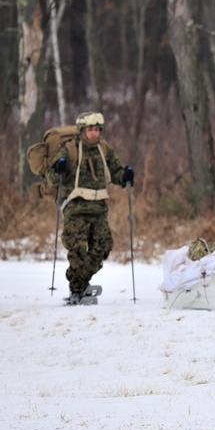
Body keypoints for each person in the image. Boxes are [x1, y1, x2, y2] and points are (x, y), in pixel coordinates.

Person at [46, 112, 132, 305]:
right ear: (83, 130)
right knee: (76, 250)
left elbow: (116, 171)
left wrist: (125, 176)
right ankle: (76, 289)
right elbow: (52, 177)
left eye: (97, 130)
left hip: (99, 208)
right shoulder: (70, 149)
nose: (94, 134)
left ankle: (81, 281)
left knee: (103, 246)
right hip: (76, 208)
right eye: (90, 129)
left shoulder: (104, 148)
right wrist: (59, 168)